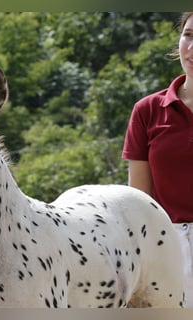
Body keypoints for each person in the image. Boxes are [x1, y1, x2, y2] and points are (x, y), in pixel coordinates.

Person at [122, 12, 193, 307]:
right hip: (166, 250)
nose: (191, 48)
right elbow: (139, 201)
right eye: (189, 35)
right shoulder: (147, 110)